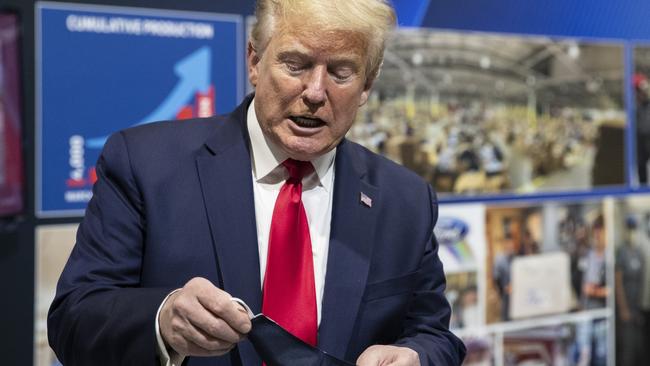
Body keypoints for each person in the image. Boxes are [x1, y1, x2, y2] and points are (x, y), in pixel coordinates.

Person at [47, 1, 466, 365]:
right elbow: (73, 320)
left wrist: (416, 356)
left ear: (367, 86)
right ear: (254, 61)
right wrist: (162, 319)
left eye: (341, 72)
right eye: (295, 64)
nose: (315, 92)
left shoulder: (405, 200)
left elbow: (435, 335)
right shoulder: (145, 164)